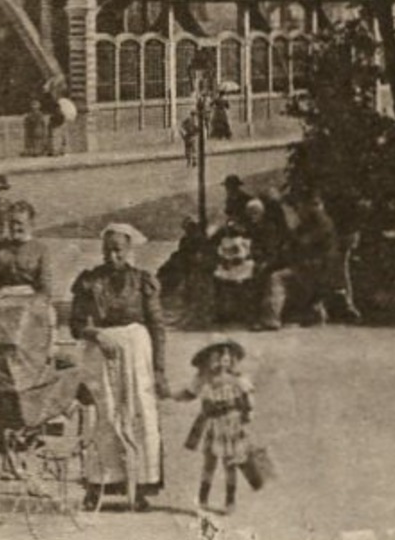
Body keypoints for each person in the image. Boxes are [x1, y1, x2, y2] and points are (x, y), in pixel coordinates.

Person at [69, 223, 169, 510]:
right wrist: (96, 334)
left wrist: (160, 370)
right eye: (108, 250)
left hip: (137, 355)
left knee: (139, 413)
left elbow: (158, 326)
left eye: (119, 250)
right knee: (104, 414)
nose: (113, 256)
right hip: (101, 354)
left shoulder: (142, 281)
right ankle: (98, 484)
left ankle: (138, 486)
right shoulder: (90, 281)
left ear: (129, 250)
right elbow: (76, 324)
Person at [172, 338, 259, 515]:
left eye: (227, 354)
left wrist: (248, 412)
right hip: (211, 423)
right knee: (209, 462)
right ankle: (203, 500)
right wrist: (170, 394)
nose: (222, 359)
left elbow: (248, 399)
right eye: (217, 354)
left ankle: (230, 500)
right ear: (208, 358)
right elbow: (188, 394)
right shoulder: (203, 379)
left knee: (230, 463)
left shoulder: (238, 379)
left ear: (232, 358)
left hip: (232, 423)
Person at [260, 191, 340, 330]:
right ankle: (312, 313)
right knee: (277, 272)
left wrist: (290, 235)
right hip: (314, 267)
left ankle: (271, 319)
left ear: (307, 206)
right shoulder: (313, 222)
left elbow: (303, 243)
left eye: (298, 207)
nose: (297, 211)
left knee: (276, 278)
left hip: (317, 269)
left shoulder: (321, 223)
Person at [0, 201, 51, 295]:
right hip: (0, 299)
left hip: (30, 300)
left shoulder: (41, 249)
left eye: (19, 223)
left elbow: (45, 284)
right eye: (11, 222)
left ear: (31, 224)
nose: (14, 227)